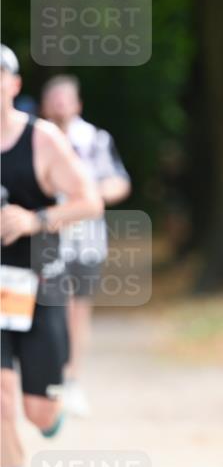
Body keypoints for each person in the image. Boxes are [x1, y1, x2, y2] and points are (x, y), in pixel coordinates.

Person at [0, 45, 102, 467]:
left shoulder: (40, 139)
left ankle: (51, 413)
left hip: (39, 285)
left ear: (14, 84)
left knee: (37, 412)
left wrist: (34, 219)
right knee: (0, 398)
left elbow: (89, 202)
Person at [40, 74, 131, 417]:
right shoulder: (36, 138)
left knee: (78, 311)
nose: (60, 105)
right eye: (54, 99)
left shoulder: (94, 140)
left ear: (77, 104)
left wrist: (90, 198)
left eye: (65, 99)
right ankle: (51, 377)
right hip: (47, 240)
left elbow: (118, 181)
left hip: (86, 240)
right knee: (54, 310)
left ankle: (72, 379)